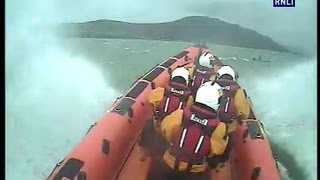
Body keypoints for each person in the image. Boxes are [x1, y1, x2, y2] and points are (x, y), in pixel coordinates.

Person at [147, 82, 229, 180]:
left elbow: (164, 130)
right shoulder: (220, 128)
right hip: (195, 173)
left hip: (170, 164)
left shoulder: (179, 115)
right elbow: (216, 151)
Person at [138, 67, 194, 158]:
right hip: (173, 133)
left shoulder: (160, 91)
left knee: (149, 123)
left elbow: (151, 99)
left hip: (159, 128)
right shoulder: (189, 98)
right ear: (187, 81)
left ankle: (145, 151)